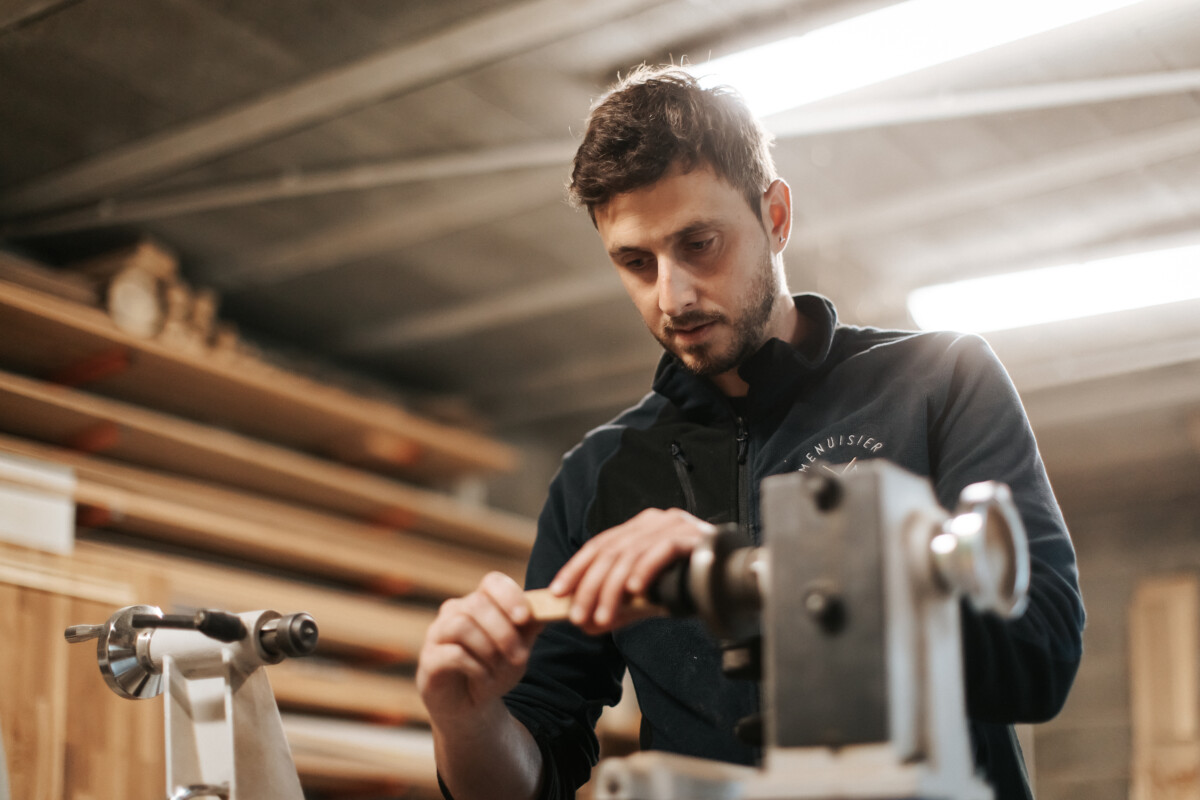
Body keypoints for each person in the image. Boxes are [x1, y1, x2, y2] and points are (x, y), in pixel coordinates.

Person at [417, 64, 1085, 800]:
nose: (672, 296)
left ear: (776, 216)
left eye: (699, 243)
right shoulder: (598, 475)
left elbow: (1042, 652)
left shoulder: (939, 380)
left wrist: (752, 574)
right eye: (636, 263)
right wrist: (465, 721)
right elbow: (532, 770)